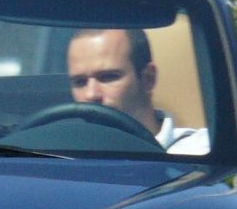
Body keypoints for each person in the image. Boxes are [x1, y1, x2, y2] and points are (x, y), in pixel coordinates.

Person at [66, 27, 209, 155]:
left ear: (148, 78)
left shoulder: (199, 151)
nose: (91, 94)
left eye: (108, 77)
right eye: (80, 82)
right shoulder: (58, 151)